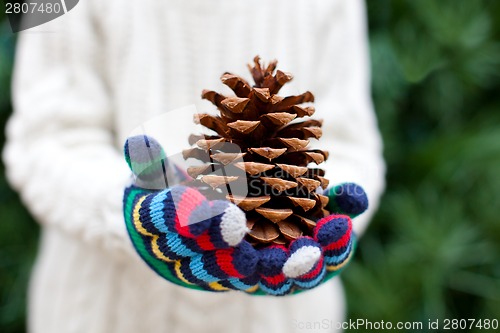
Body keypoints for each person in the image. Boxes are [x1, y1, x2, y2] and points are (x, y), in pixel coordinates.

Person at [3, 0, 385, 332]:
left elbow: (349, 144)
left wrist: (314, 217)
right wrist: (131, 209)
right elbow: (46, 139)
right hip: (101, 316)